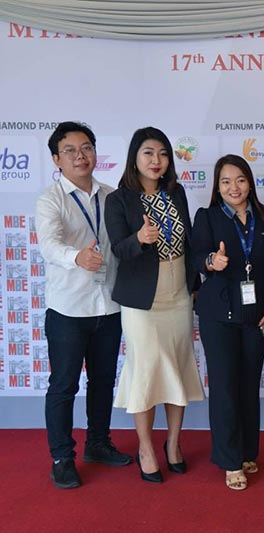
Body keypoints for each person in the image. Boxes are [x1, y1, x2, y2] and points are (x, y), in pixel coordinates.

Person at [105, 127, 205, 484]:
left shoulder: (176, 193)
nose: (156, 160)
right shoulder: (118, 200)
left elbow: (189, 243)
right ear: (135, 158)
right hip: (141, 302)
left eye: (162, 153)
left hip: (178, 294)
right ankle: (146, 448)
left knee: (178, 367)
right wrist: (140, 238)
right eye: (148, 153)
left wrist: (195, 285)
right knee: (146, 372)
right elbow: (118, 249)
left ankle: (173, 444)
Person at [37, 122, 133, 489]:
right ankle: (62, 458)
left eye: (87, 148)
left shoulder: (112, 196)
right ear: (56, 159)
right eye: (71, 151)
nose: (81, 156)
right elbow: (49, 244)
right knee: (63, 385)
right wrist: (76, 256)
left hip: (108, 306)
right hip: (69, 309)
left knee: (103, 381)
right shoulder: (50, 199)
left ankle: (98, 443)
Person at [192, 154, 264, 490]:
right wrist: (211, 261)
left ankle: (246, 453)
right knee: (225, 388)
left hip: (256, 315)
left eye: (240, 180)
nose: (234, 187)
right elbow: (195, 257)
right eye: (226, 181)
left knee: (248, 386)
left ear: (250, 183)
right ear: (217, 187)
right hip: (218, 317)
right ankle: (230, 461)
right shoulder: (207, 217)